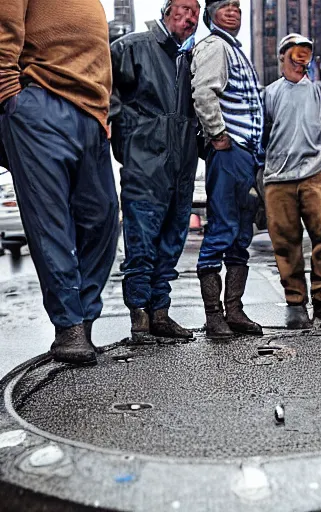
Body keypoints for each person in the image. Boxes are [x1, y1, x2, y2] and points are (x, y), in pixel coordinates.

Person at [0, 0, 119, 365]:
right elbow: (3, 27)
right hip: (40, 102)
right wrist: (10, 98)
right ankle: (69, 327)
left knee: (102, 220)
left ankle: (84, 319)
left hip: (91, 114)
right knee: (51, 223)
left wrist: (102, 114)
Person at [110, 0, 200, 344]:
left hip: (180, 169)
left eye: (195, 12)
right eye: (183, 8)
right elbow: (108, 93)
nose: (189, 16)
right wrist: (129, 138)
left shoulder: (188, 61)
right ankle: (140, 318)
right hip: (144, 166)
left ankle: (160, 312)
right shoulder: (133, 47)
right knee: (141, 245)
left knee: (172, 241)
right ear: (166, 10)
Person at [191, 0, 263, 338]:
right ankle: (214, 315)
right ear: (211, 15)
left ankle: (234, 310)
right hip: (229, 152)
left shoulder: (236, 50)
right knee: (221, 228)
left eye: (237, 5)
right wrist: (218, 135)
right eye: (225, 6)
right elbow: (204, 92)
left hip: (246, 155)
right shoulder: (215, 45)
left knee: (240, 234)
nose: (234, 10)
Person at [262, 34, 321, 330]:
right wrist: (262, 169)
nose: (302, 62)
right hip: (278, 178)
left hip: (314, 175)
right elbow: (262, 133)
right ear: (282, 57)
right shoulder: (269, 94)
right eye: (296, 55)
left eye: (307, 55)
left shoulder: (318, 91)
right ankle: (295, 302)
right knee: (285, 242)